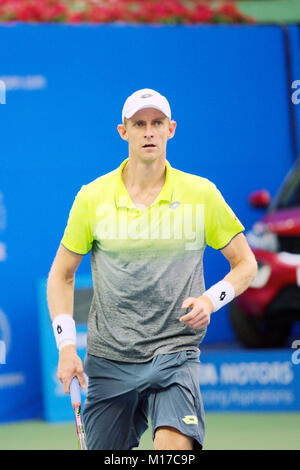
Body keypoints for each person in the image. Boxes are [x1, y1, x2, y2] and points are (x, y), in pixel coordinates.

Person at [47, 88, 257, 450]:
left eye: (157, 123)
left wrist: (210, 300)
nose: (149, 131)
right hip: (109, 358)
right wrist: (66, 347)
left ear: (170, 129)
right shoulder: (92, 198)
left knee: (173, 449)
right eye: (139, 123)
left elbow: (246, 264)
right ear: (123, 131)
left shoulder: (201, 194)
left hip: (174, 352)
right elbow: (61, 275)